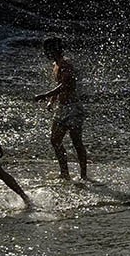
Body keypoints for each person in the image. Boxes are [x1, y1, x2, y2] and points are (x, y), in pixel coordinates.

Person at [32, 37, 89, 180]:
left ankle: (83, 175)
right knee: (55, 140)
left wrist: (45, 95)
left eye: (48, 49)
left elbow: (66, 85)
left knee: (76, 141)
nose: (46, 52)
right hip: (62, 107)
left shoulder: (66, 63)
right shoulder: (56, 64)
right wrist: (52, 101)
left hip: (73, 108)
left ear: (55, 49)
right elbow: (60, 87)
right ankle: (65, 173)